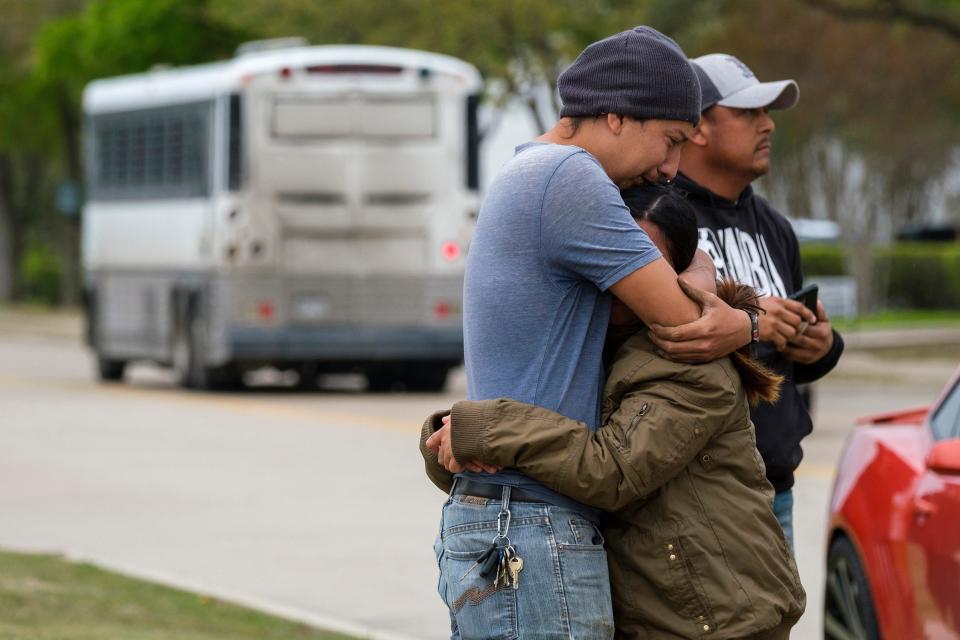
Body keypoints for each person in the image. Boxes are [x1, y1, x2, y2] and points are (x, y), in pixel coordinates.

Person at [428, 27, 753, 640]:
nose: (671, 168)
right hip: (531, 523)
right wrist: (739, 314)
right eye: (671, 140)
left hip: (512, 517)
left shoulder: (531, 172)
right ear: (616, 115)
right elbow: (686, 327)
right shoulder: (570, 178)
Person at [422, 185, 806, 639]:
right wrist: (450, 439)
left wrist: (485, 429)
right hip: (663, 613)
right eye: (611, 258)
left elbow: (614, 469)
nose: (621, 276)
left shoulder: (689, 359)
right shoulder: (593, 342)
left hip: (722, 619)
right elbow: (538, 449)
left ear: (675, 272)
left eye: (642, 264)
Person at [649, 54, 845, 548]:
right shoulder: (658, 219)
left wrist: (820, 345)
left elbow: (793, 366)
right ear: (697, 128)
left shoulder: (775, 226)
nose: (768, 125)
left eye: (768, 112)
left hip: (776, 489)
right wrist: (753, 322)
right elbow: (649, 345)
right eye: (748, 112)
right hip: (698, 495)